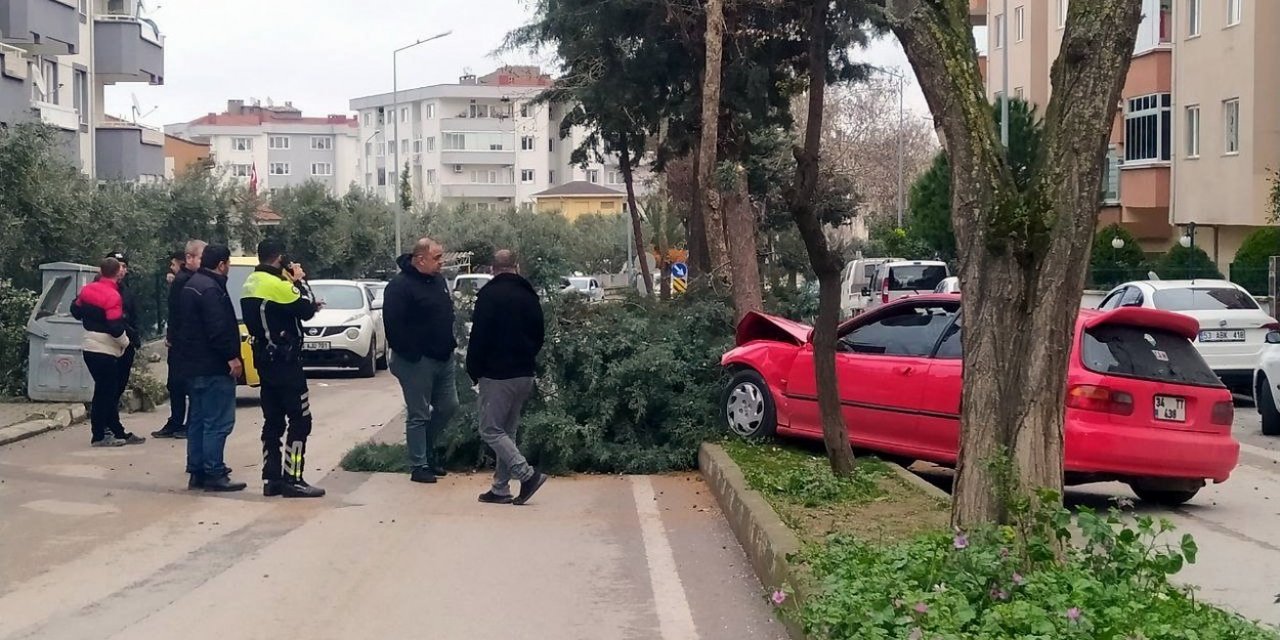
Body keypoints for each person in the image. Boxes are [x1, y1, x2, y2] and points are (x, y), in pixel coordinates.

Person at [240, 239, 325, 498]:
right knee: (301, 421)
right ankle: (294, 478)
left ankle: (271, 478)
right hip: (286, 363)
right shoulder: (278, 286)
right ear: (279, 260)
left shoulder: (250, 283)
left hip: (264, 362)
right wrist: (299, 279)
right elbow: (307, 308)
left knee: (272, 422)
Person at [466, 249, 548, 505]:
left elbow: (479, 337)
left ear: (493, 269)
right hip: (524, 373)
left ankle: (527, 475)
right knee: (507, 432)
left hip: (497, 374)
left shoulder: (488, 296)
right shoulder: (528, 294)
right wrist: (526, 357)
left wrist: (474, 369)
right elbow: (539, 334)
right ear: (517, 266)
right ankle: (500, 488)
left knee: (490, 429)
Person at [383, 237, 458, 484]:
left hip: (443, 356)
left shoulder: (438, 281)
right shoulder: (400, 286)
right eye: (437, 258)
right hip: (416, 360)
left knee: (449, 406)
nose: (441, 262)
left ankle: (426, 450)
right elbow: (393, 325)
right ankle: (419, 465)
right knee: (419, 413)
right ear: (420, 259)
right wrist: (412, 353)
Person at [174, 244, 246, 492]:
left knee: (197, 420)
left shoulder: (191, 286)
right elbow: (218, 328)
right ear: (222, 264)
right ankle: (214, 472)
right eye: (229, 265)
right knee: (218, 422)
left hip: (192, 366)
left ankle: (197, 471)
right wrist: (232, 358)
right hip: (213, 367)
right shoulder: (212, 289)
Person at [71, 257, 144, 447]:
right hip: (105, 349)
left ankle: (112, 430)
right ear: (116, 272)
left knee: (103, 391)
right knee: (107, 393)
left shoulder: (87, 290)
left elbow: (76, 310)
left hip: (89, 345)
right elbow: (115, 326)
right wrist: (126, 342)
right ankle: (100, 435)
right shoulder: (113, 296)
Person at [154, 240, 204, 439]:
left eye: (173, 264)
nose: (171, 268)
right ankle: (180, 423)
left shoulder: (184, 280)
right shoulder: (189, 279)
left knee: (179, 383)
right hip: (184, 340)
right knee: (180, 384)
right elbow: (177, 312)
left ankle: (179, 422)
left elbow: (176, 312)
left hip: (181, 341)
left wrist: (171, 335)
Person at [104, 251, 142, 419]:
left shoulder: (126, 291)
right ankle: (107, 426)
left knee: (119, 385)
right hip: (108, 345)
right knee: (108, 387)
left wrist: (134, 339)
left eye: (124, 266)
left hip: (126, 346)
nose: (121, 270)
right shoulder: (100, 288)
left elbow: (133, 318)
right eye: (118, 266)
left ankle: (114, 424)